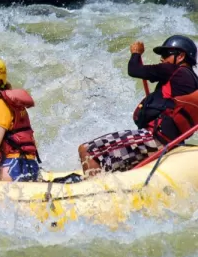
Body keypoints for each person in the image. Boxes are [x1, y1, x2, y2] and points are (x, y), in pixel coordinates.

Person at [78, 35, 198, 177]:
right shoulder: (193, 81)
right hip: (172, 141)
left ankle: (93, 192)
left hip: (154, 139)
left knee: (86, 150)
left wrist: (136, 53)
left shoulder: (173, 70)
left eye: (166, 54)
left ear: (181, 56)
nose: (162, 59)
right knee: (108, 162)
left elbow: (134, 69)